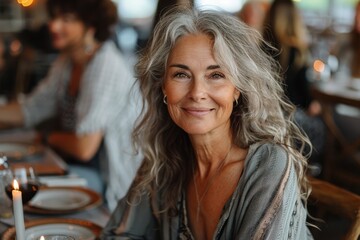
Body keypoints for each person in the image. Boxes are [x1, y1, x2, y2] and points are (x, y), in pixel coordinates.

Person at [101, 7, 313, 239]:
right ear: (163, 87)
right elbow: (118, 233)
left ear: (237, 89)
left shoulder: (268, 165)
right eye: (181, 74)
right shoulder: (164, 156)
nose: (197, 93)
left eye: (216, 75)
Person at [0, 0, 142, 210]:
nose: (53, 26)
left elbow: (84, 147)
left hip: (111, 181)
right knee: (10, 176)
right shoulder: (67, 62)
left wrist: (48, 137)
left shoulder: (106, 66)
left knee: (13, 183)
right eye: (54, 17)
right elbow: (31, 109)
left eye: (66, 19)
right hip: (76, 167)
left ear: (90, 24)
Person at [263, 0, 325, 168]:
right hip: (291, 121)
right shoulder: (297, 52)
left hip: (265, 120)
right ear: (294, 19)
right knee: (323, 124)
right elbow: (307, 101)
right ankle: (314, 169)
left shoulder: (261, 49)